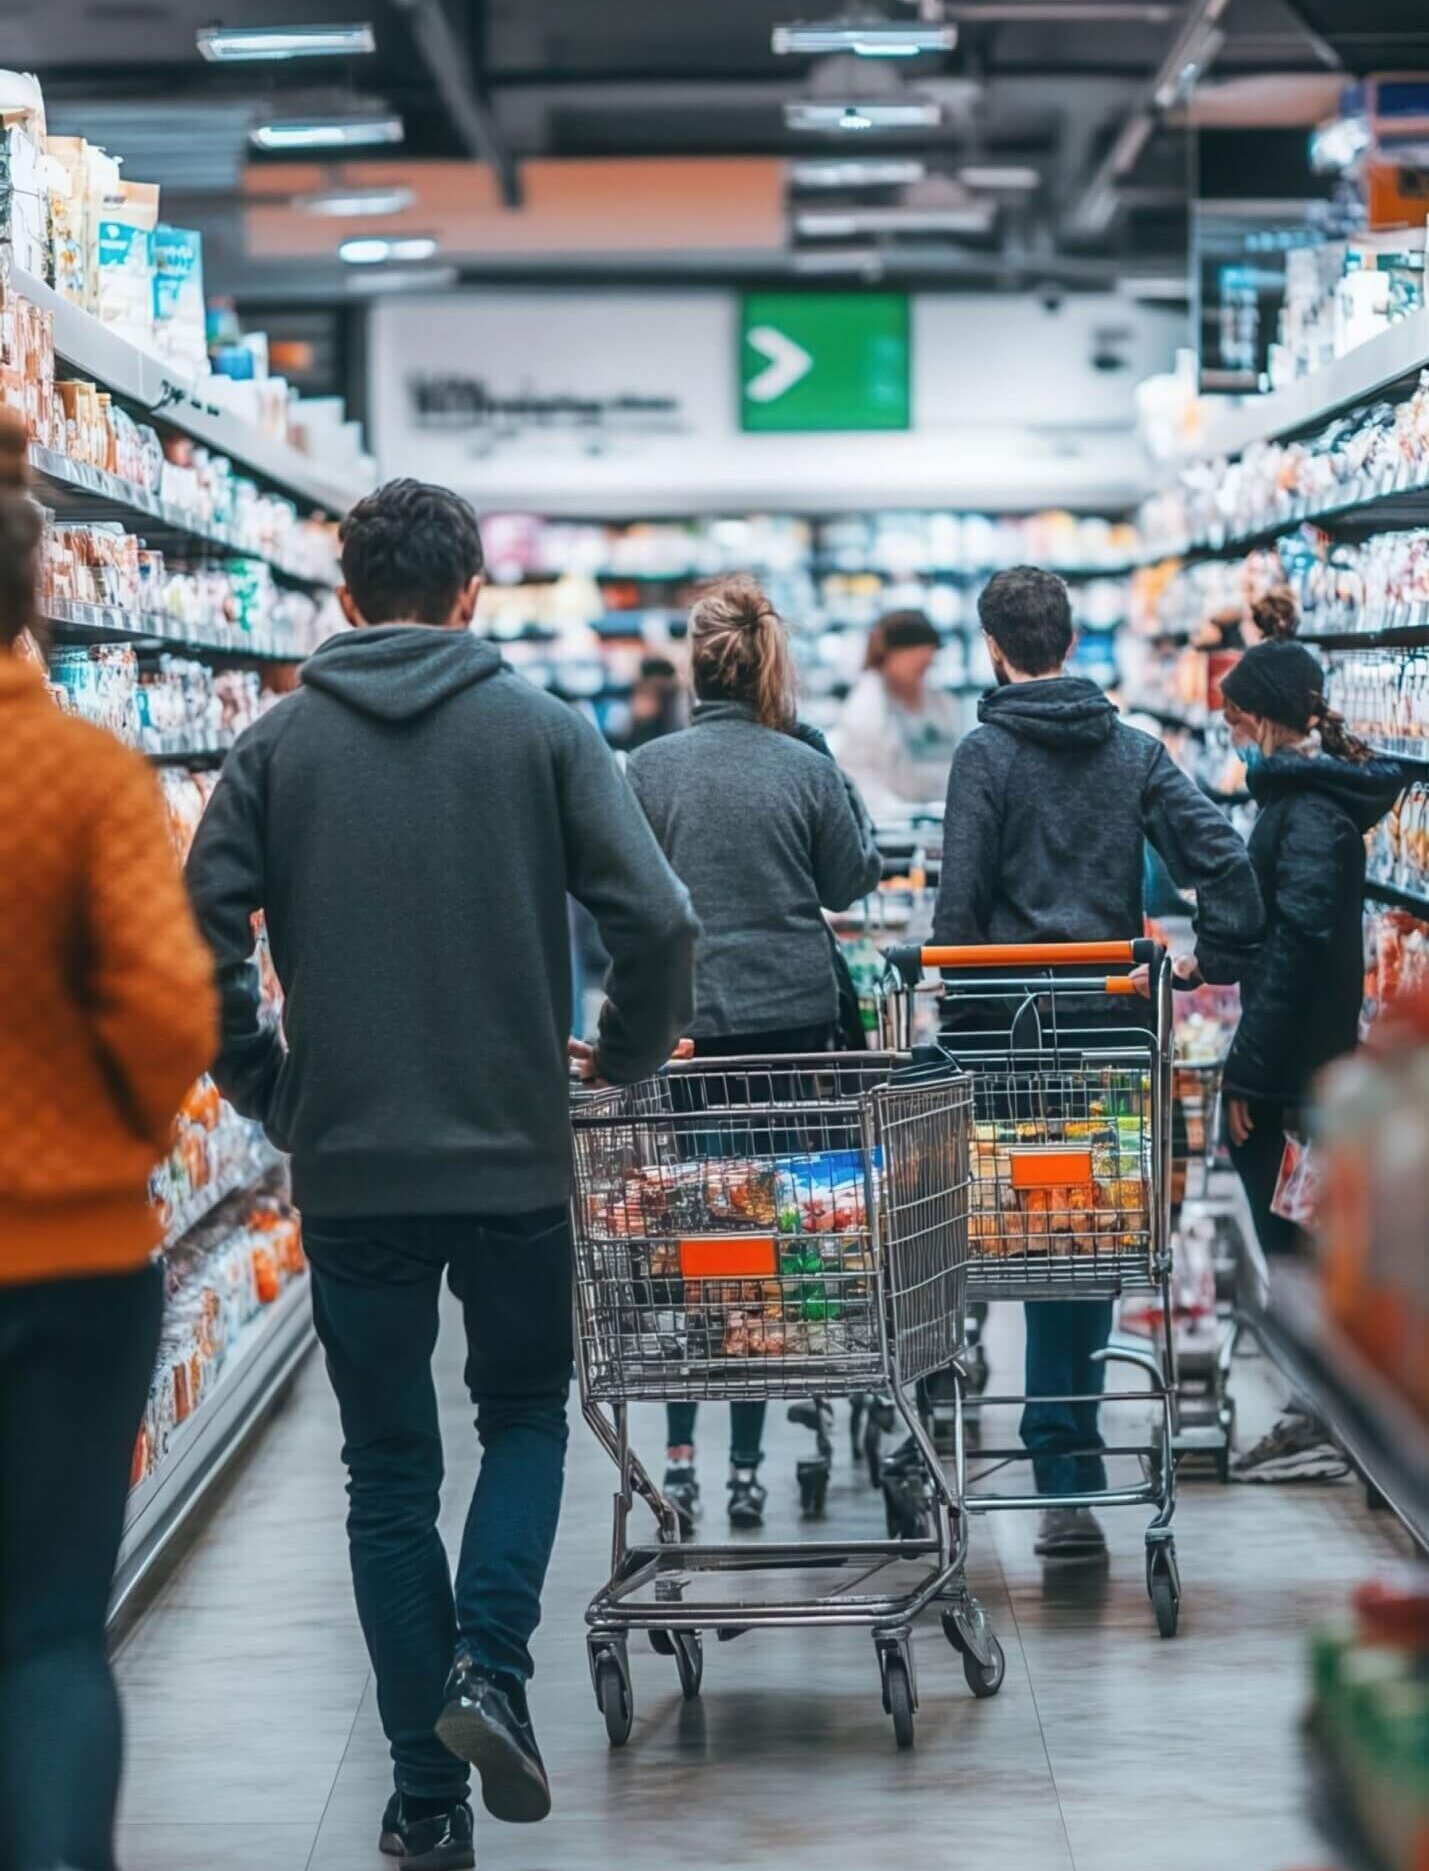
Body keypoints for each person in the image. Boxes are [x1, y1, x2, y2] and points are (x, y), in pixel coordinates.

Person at [186, 478, 696, 1871]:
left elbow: (199, 930)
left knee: (388, 1469)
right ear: (475, 588)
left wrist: (269, 1081)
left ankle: (426, 1798)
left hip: (352, 1164)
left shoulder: (275, 746)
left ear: (344, 596)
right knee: (526, 1409)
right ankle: (490, 1667)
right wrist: (628, 1053)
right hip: (515, 1145)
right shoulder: (542, 730)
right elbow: (656, 914)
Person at [934, 566, 1263, 1558]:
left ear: (995, 647)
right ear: (1070, 643)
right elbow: (1226, 860)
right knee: (1091, 1231)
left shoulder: (983, 755)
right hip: (1117, 1028)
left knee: (1036, 1232)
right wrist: (1218, 953)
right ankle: (1069, 1454)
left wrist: (958, 1027)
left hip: (1013, 1035)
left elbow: (955, 914)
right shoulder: (1131, 750)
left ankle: (1062, 1471)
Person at [0, 410, 218, 1871]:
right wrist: (110, 1133)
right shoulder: (82, 774)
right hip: (75, 1251)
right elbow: (169, 1003)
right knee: (48, 1628)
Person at [627, 575, 882, 1530]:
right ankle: (758, 1453)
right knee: (781, 1244)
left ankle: (685, 1462)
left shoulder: (646, 769)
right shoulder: (802, 765)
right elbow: (850, 879)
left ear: (695, 667)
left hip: (688, 1038)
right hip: (794, 1035)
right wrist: (823, 764)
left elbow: (623, 898)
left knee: (700, 1240)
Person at [1218, 640, 1403, 1483]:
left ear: (1261, 715)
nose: (1228, 733)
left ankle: (1333, 1420)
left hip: (1293, 1075)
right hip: (1305, 1063)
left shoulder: (1307, 815)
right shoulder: (1306, 805)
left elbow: (1295, 948)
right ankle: (1322, 1414)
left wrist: (1250, 1075)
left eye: (1232, 718)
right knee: (1301, 1238)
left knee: (1293, 1243)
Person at [831, 607, 960, 817]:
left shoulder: (940, 701)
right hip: (891, 821)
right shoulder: (866, 704)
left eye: (927, 664)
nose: (923, 670)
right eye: (916, 663)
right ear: (888, 654)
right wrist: (902, 812)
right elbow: (859, 777)